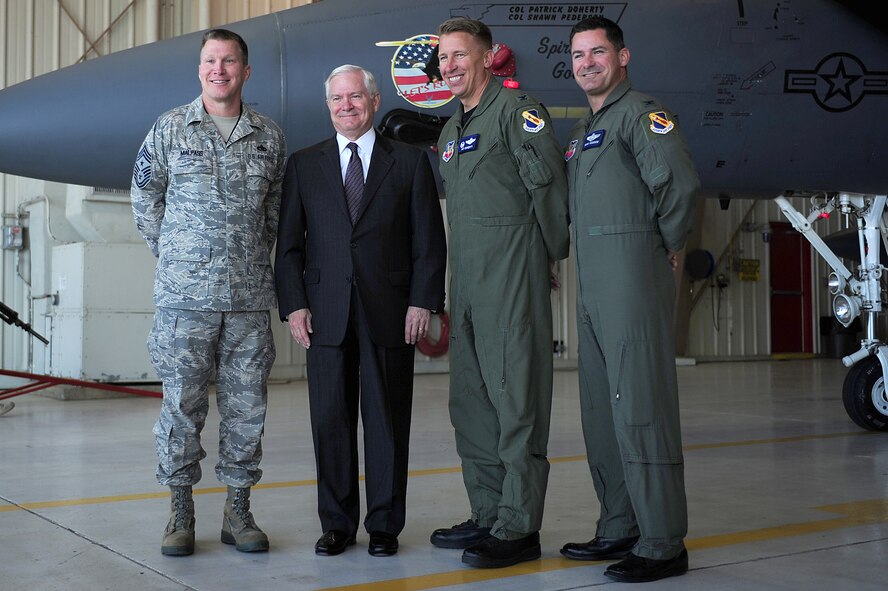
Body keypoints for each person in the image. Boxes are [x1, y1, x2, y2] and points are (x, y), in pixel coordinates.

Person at [274, 65, 447, 558]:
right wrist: (294, 306)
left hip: (391, 310)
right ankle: (337, 524)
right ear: (328, 106)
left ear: (374, 101)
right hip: (325, 312)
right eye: (337, 99)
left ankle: (386, 524)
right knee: (330, 420)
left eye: (355, 97)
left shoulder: (410, 163)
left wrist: (423, 300)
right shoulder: (305, 165)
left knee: (387, 420)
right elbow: (288, 247)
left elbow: (429, 244)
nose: (346, 105)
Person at [131, 28, 286, 557]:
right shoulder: (170, 129)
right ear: (200, 69)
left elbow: (276, 216)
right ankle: (180, 511)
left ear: (246, 70)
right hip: (184, 301)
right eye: (209, 61)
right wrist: (176, 256)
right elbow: (145, 195)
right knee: (181, 407)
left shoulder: (269, 136)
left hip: (247, 302)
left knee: (248, 408)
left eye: (229, 61)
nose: (218, 69)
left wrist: (242, 259)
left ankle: (238, 512)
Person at [560, 16, 700, 583]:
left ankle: (664, 540)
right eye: (577, 55)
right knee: (600, 409)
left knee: (641, 405)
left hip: (633, 278)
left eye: (597, 52)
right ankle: (619, 523)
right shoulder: (584, 132)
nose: (587, 63)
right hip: (592, 284)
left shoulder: (642, 116)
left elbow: (680, 186)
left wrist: (665, 246)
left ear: (623, 57)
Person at [429, 18, 570, 569]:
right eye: (444, 58)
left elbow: (548, 184)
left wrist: (548, 254)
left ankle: (518, 526)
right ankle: (487, 513)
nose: (451, 65)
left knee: (516, 404)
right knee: (472, 406)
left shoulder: (516, 112)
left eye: (460, 55)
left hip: (510, 282)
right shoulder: (449, 132)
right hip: (464, 287)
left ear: (487, 58)